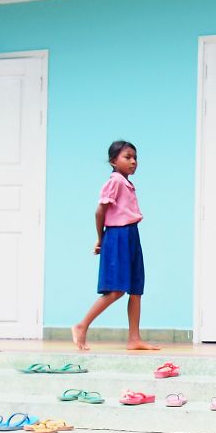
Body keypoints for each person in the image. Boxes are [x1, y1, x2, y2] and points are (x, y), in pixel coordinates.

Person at [72, 140, 159, 350]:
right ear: (113, 161)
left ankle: (134, 339)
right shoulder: (115, 181)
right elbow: (99, 211)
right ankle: (81, 326)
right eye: (127, 157)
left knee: (136, 288)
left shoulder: (126, 183)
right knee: (116, 290)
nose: (133, 162)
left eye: (135, 158)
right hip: (117, 236)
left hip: (131, 235)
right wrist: (100, 238)